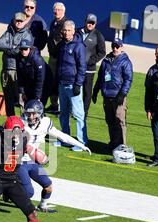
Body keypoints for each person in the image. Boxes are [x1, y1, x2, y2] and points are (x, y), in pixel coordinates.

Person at [20, 100, 91, 213]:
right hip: (19, 162)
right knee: (29, 193)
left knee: (48, 186)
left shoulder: (45, 123)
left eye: (34, 113)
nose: (31, 116)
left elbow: (62, 136)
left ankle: (42, 206)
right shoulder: (19, 123)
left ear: (40, 113)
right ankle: (8, 190)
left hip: (33, 161)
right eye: (28, 113)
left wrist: (80, 145)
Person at [92, 38, 133, 150]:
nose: (115, 48)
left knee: (120, 121)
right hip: (106, 96)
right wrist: (95, 91)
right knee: (110, 121)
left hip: (118, 96)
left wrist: (122, 95)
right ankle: (114, 143)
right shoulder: (106, 60)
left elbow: (128, 80)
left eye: (117, 46)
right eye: (113, 46)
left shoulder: (126, 62)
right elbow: (100, 77)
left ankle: (122, 146)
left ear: (121, 47)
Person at [56, 20, 87, 151]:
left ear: (73, 31)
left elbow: (82, 67)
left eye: (69, 30)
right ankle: (65, 139)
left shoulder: (79, 46)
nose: (67, 32)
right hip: (62, 84)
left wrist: (78, 84)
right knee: (63, 113)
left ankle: (81, 142)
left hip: (72, 84)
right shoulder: (62, 44)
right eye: (65, 30)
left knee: (78, 115)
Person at [0, 12, 33, 117]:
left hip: (18, 71)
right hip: (6, 70)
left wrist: (9, 49)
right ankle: (11, 122)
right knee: (8, 99)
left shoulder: (27, 34)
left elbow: (20, 51)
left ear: (24, 22)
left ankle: (24, 123)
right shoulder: (9, 31)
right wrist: (12, 48)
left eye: (20, 21)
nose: (18, 23)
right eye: (17, 21)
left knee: (21, 100)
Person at [76, 13, 106, 117]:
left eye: (92, 23)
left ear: (95, 24)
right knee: (76, 89)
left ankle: (84, 112)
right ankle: (75, 110)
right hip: (76, 68)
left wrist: (90, 61)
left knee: (87, 91)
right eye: (89, 22)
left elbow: (102, 52)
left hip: (89, 69)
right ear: (85, 21)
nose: (90, 24)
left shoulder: (98, 35)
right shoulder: (77, 32)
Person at [16, 38, 52, 107]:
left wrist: (38, 97)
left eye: (25, 49)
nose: (23, 51)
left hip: (45, 83)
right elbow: (20, 76)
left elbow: (40, 80)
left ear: (30, 49)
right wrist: (22, 92)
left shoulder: (37, 60)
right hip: (30, 82)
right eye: (21, 49)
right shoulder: (18, 58)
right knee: (28, 106)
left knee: (37, 107)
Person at [45, 2, 67, 114]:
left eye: (59, 10)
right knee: (51, 81)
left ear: (63, 11)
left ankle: (61, 107)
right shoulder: (53, 22)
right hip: (52, 57)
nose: (56, 12)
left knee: (60, 82)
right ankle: (54, 104)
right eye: (55, 10)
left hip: (62, 59)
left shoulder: (65, 24)